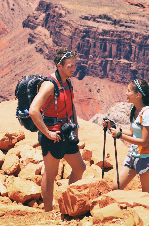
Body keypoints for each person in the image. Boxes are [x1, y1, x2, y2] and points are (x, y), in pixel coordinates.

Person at [28, 49, 86, 212]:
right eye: (70, 66)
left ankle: (69, 204)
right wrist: (47, 133)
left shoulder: (67, 81)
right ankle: (47, 211)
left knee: (80, 168)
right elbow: (33, 110)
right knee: (51, 173)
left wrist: (75, 126)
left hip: (67, 133)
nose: (73, 69)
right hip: (53, 136)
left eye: (75, 65)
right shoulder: (49, 84)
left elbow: (70, 105)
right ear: (59, 66)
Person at [102, 79, 149, 195]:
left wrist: (120, 136)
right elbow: (132, 133)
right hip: (132, 156)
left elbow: (143, 141)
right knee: (116, 187)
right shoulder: (135, 110)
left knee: (148, 194)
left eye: (129, 91)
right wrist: (114, 128)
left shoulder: (148, 114)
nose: (126, 93)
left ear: (138, 95)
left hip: (146, 158)